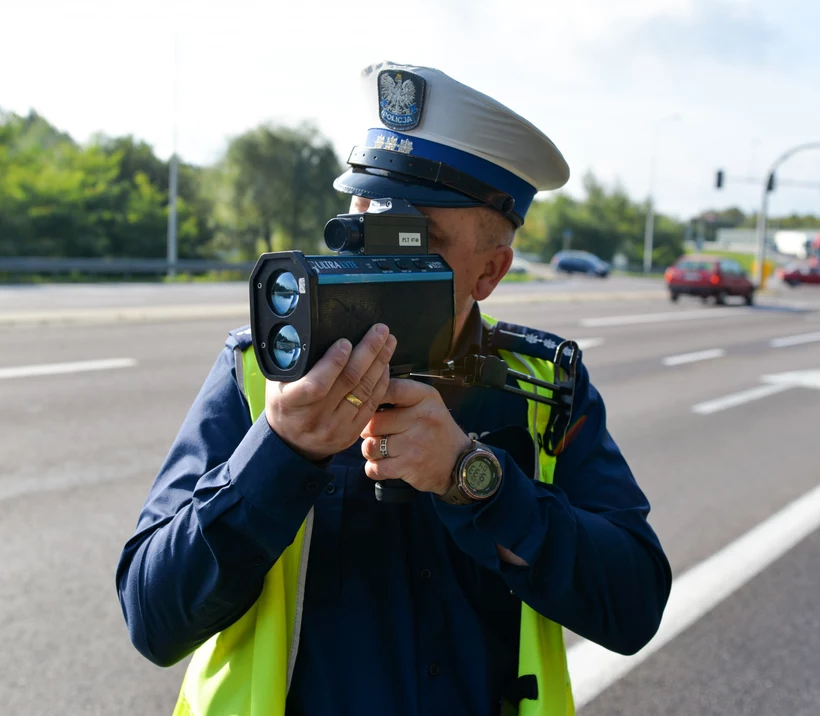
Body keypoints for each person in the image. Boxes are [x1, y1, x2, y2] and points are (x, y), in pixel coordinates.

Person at [116, 61, 671, 716]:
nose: (368, 254)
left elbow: (632, 605)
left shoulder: (540, 386)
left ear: (490, 272)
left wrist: (472, 477)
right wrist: (281, 450)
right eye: (359, 220)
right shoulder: (260, 370)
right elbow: (153, 619)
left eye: (415, 238)